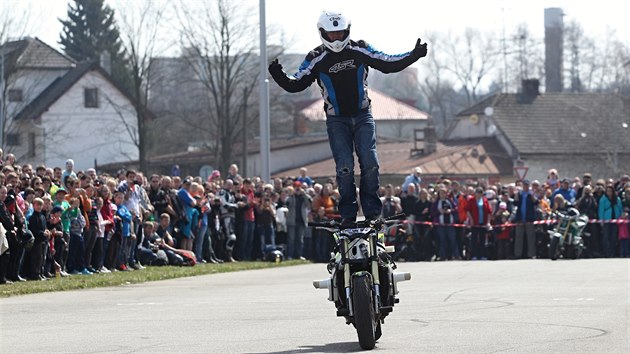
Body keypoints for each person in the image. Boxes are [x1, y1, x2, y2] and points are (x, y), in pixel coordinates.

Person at [269, 10, 428, 228]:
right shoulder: (316, 57)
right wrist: (279, 75)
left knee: (370, 162)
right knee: (344, 166)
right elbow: (296, 83)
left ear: (348, 31)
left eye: (341, 33)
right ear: (323, 33)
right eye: (332, 34)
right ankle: (348, 215)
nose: (337, 38)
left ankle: (372, 212)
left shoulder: (359, 48)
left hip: (363, 115)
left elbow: (387, 62)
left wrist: (413, 55)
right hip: (337, 119)